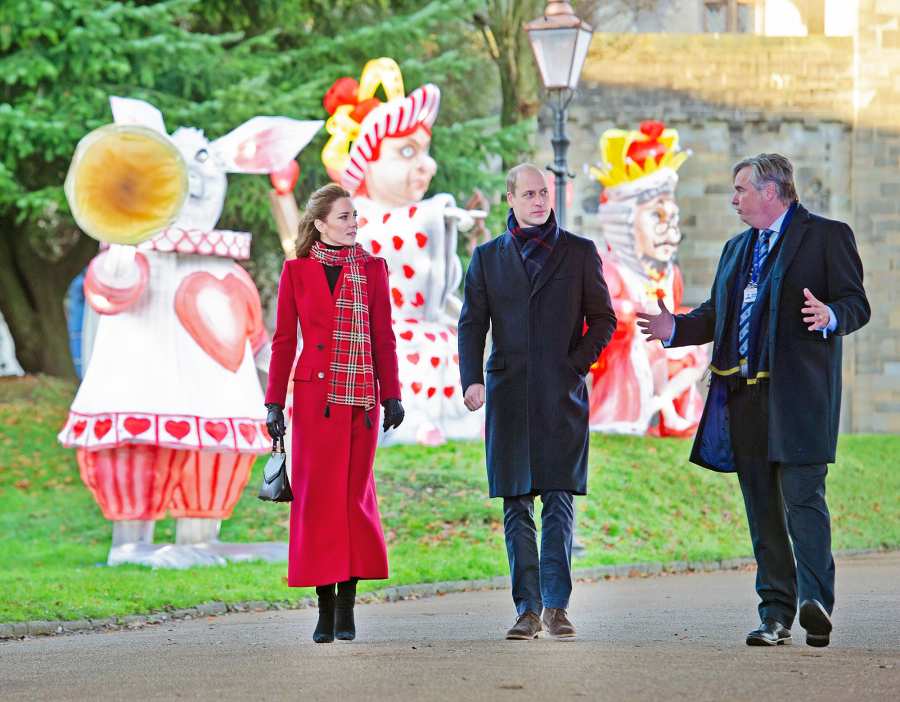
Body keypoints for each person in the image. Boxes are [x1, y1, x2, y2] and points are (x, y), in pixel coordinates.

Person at [637, 154, 870, 648]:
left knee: (803, 501)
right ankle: (775, 614)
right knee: (763, 511)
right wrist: (674, 327)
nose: (733, 198)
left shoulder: (827, 236)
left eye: (741, 188)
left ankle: (815, 603)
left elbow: (857, 304)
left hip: (799, 399)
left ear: (771, 192)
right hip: (742, 398)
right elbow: (715, 314)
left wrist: (830, 315)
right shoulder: (735, 248)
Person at [458, 164, 616, 640]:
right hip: (507, 396)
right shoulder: (487, 258)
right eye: (528, 193)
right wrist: (471, 380)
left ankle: (557, 606)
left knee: (559, 500)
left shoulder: (579, 253)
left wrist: (575, 364)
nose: (538, 200)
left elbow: (603, 319)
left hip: (561, 395)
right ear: (511, 199)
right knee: (516, 504)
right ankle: (526, 609)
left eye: (543, 192)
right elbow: (471, 325)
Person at [265, 183, 405, 643]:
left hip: (361, 401)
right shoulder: (297, 272)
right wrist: (272, 403)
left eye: (355, 216)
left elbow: (383, 335)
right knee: (317, 504)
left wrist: (392, 395)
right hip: (312, 403)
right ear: (320, 223)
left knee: (353, 502)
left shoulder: (372, 269)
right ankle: (324, 608)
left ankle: (347, 606)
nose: (353, 223)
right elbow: (285, 341)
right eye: (344, 217)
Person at [320, 57, 483, 446]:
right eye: (407, 153)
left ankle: (455, 420)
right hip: (370, 338)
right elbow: (395, 238)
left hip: (424, 334)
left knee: (443, 360)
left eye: (424, 152)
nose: (428, 165)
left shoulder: (419, 216)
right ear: (367, 165)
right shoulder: (359, 224)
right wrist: (438, 213)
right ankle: (400, 421)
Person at [587, 121, 706, 436]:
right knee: (647, 346)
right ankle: (636, 413)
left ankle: (666, 409)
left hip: (658, 348)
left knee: (692, 347)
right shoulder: (612, 270)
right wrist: (627, 313)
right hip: (623, 359)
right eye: (656, 216)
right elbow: (596, 317)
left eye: (673, 217)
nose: (669, 227)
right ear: (625, 221)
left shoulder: (669, 275)